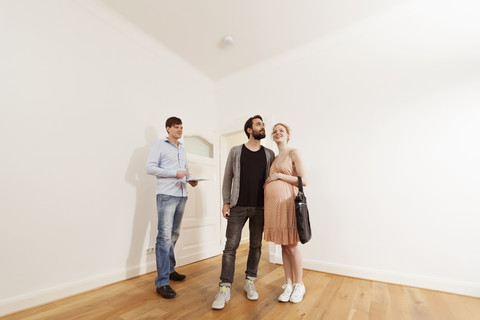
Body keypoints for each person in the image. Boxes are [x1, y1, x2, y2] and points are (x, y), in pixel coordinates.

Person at [212, 115, 275, 310]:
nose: (263, 127)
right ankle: (224, 287)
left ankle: (250, 280)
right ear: (249, 129)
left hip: (260, 208)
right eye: (258, 124)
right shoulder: (236, 151)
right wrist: (226, 202)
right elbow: (227, 178)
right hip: (238, 207)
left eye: (263, 124)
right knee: (230, 246)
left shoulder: (269, 154)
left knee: (255, 246)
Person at [146, 116, 198, 299]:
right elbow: (150, 168)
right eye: (176, 127)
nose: (180, 130)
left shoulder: (181, 148)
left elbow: (183, 170)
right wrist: (174, 173)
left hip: (182, 195)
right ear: (168, 128)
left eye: (182, 127)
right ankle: (162, 283)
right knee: (164, 238)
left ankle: (169, 270)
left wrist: (188, 180)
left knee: (174, 235)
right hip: (166, 196)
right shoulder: (159, 145)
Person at [264, 123, 307, 303]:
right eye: (274, 131)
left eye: (281, 130)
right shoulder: (273, 158)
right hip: (274, 207)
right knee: (282, 245)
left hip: (288, 203)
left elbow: (303, 180)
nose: (277, 133)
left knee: (292, 245)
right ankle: (288, 284)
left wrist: (279, 176)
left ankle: (299, 285)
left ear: (288, 135)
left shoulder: (293, 152)